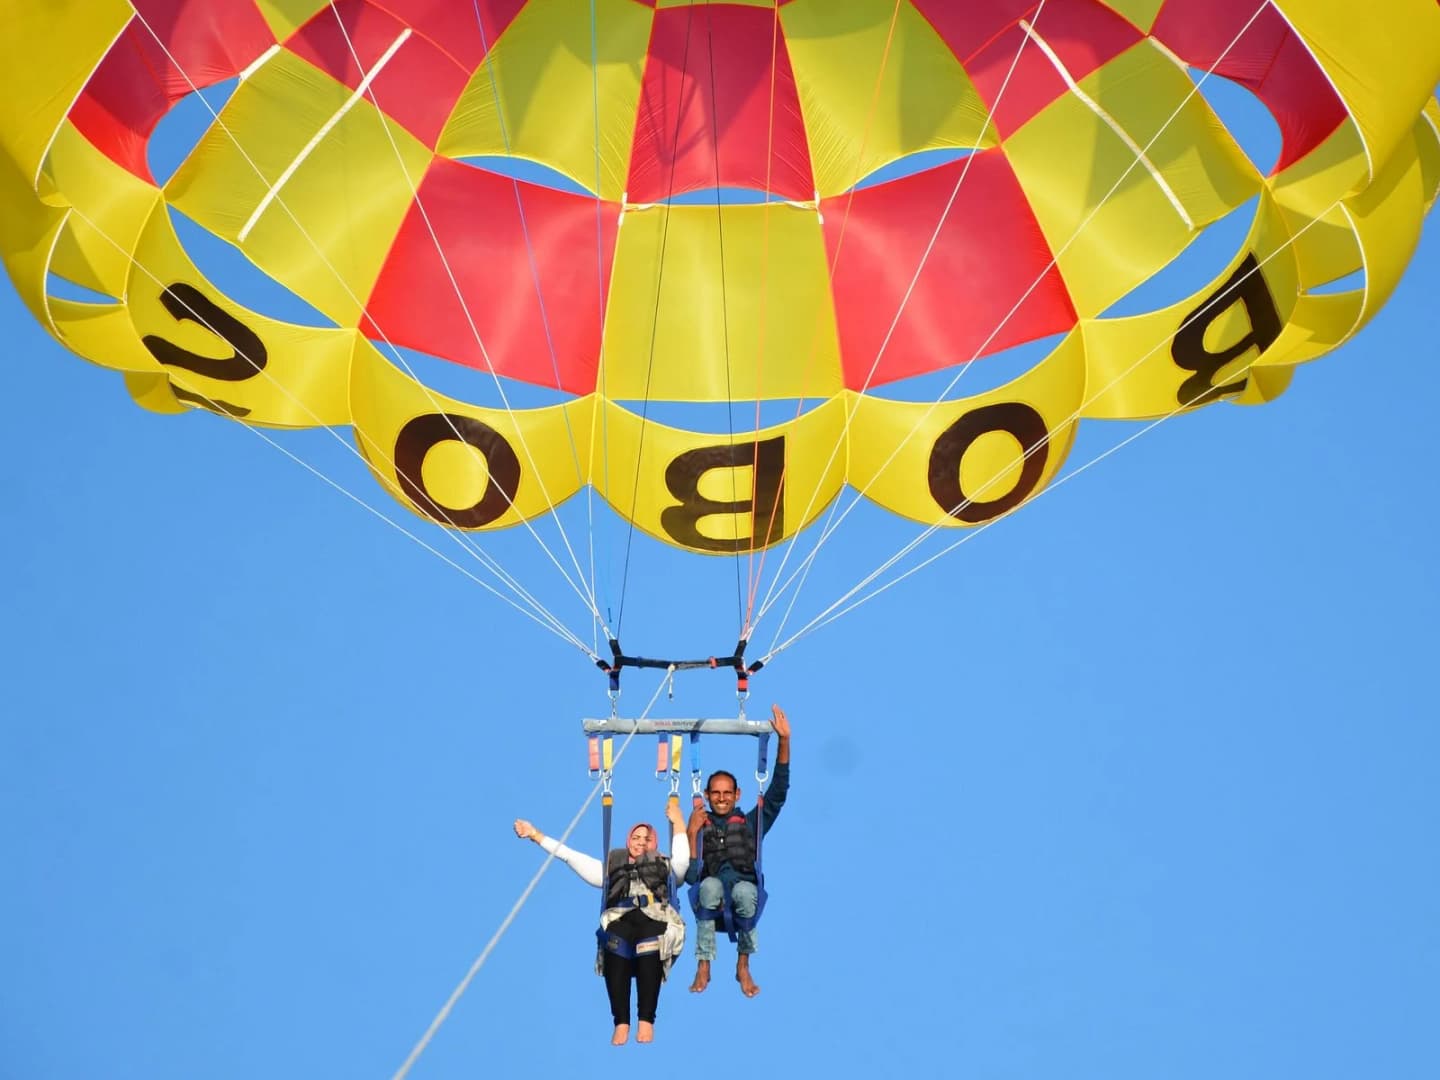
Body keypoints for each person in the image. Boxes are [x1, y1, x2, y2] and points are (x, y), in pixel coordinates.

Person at [514, 800, 688, 1045]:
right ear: (628, 841)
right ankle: (621, 1021)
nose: (641, 842)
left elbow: (683, 862)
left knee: (650, 945)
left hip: (656, 917)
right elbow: (570, 856)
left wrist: (678, 820)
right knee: (614, 944)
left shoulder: (666, 867)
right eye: (636, 837)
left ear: (655, 843)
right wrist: (536, 835)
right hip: (620, 917)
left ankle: (646, 1019)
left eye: (646, 838)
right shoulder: (612, 867)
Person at [686, 703, 790, 998]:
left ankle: (743, 965)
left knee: (744, 892)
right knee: (708, 885)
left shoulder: (750, 823)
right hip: (712, 902)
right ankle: (703, 963)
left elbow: (778, 793)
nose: (721, 798)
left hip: (743, 896)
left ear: (737, 795)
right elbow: (691, 877)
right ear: (706, 795)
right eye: (715, 793)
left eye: (726, 793)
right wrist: (691, 831)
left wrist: (784, 741)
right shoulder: (697, 825)